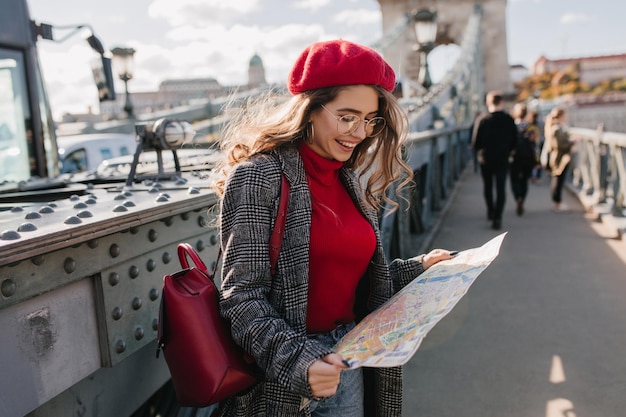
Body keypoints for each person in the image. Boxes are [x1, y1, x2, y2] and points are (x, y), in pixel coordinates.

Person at [212, 39, 454, 417]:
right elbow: (241, 297)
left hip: (348, 361)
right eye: (347, 116)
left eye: (370, 120)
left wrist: (420, 268)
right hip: (286, 376)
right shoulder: (261, 177)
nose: (360, 132)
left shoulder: (350, 180)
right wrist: (302, 362)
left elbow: (347, 281)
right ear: (309, 110)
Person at [471, 91, 518, 230]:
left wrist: (480, 153)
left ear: (488, 103)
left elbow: (475, 142)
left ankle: (490, 212)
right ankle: (498, 217)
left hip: (486, 159)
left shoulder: (482, 119)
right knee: (501, 188)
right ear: (501, 102)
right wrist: (508, 151)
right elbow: (515, 140)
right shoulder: (509, 119)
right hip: (502, 158)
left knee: (488, 186)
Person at [541, 107, 577, 212]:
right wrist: (572, 142)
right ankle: (558, 203)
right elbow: (559, 144)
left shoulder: (553, 127)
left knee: (557, 180)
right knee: (558, 181)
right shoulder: (556, 128)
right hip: (559, 158)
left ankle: (557, 202)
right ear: (561, 116)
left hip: (556, 157)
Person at [509, 102, 539, 216]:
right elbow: (535, 145)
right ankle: (522, 199)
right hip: (528, 157)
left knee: (514, 179)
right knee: (524, 180)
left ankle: (517, 198)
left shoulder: (511, 127)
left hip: (515, 157)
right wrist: (537, 161)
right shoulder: (532, 128)